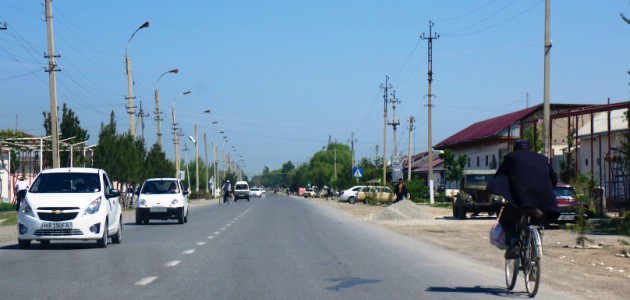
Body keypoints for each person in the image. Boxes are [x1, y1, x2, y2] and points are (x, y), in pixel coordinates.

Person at [489, 139, 559, 259]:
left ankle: (514, 242)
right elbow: (554, 178)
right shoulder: (542, 159)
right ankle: (533, 253)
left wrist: (498, 189)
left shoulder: (511, 158)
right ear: (529, 148)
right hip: (541, 204)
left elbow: (500, 175)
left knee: (505, 219)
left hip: (519, 203)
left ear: (515, 149)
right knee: (538, 221)